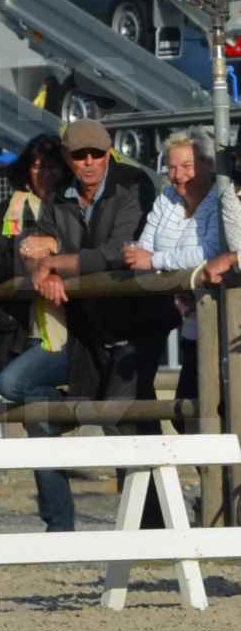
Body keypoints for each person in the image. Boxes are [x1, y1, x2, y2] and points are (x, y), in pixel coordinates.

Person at [22, 119, 172, 530]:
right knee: (127, 413)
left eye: (97, 154)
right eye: (79, 155)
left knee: (121, 410)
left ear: (109, 152)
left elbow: (117, 252)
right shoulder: (58, 197)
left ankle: (156, 518)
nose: (89, 162)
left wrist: (56, 260)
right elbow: (36, 241)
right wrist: (41, 270)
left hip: (141, 317)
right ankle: (156, 518)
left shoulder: (133, 184)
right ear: (68, 159)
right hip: (93, 326)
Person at [0, 134, 74, 532]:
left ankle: (77, 403)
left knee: (14, 384)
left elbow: (90, 250)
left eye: (51, 166)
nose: (44, 173)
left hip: (68, 332)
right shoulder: (12, 207)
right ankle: (58, 523)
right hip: (24, 332)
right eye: (36, 165)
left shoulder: (69, 206)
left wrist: (51, 253)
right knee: (39, 420)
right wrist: (28, 258)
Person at [126, 132, 239, 442]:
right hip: (190, 321)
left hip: (223, 321)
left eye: (187, 166)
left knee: (220, 409)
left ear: (207, 164)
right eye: (172, 168)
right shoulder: (166, 198)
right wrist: (161, 263)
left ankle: (223, 485)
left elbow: (210, 252)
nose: (179, 176)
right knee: (187, 414)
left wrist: (157, 260)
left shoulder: (223, 195)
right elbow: (140, 251)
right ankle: (212, 486)